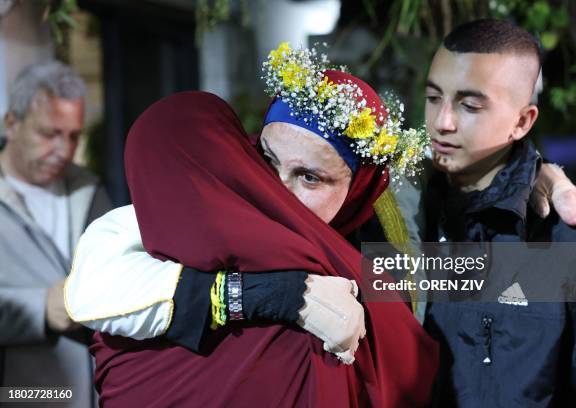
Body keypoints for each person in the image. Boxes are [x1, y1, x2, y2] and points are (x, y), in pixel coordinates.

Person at [70, 57, 441, 405]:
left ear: (357, 192)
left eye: (309, 177)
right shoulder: (202, 205)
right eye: (266, 160)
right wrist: (260, 295)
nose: (276, 188)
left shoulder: (382, 269)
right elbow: (92, 286)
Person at [422, 19, 576, 406]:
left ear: (522, 121)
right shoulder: (400, 220)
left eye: (470, 105)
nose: (443, 122)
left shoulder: (574, 246)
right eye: (433, 97)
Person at [0, 61, 112, 407]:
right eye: (50, 134)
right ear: (11, 123)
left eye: (74, 135)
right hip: (22, 395)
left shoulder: (88, 189)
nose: (65, 151)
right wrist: (40, 307)